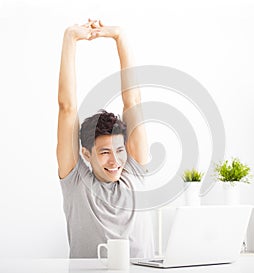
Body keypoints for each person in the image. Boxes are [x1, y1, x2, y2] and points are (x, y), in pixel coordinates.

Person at [57, 19, 154, 258]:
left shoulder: (135, 173)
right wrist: (70, 38)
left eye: (119, 150)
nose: (115, 161)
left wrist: (119, 37)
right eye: (104, 152)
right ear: (86, 153)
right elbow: (66, 107)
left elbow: (133, 101)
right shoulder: (76, 182)